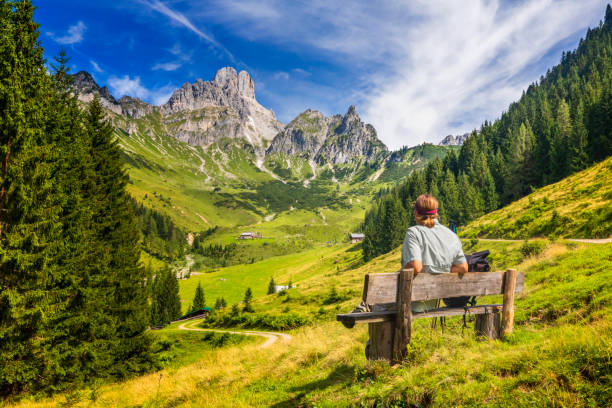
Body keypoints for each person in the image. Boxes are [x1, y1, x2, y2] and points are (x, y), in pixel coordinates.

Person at [401, 194, 468, 312]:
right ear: (436, 213)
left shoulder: (414, 233)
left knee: (376, 305)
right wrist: (442, 270)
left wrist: (401, 271)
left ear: (416, 213)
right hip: (435, 297)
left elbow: (416, 267)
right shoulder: (451, 235)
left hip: (414, 299)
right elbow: (463, 267)